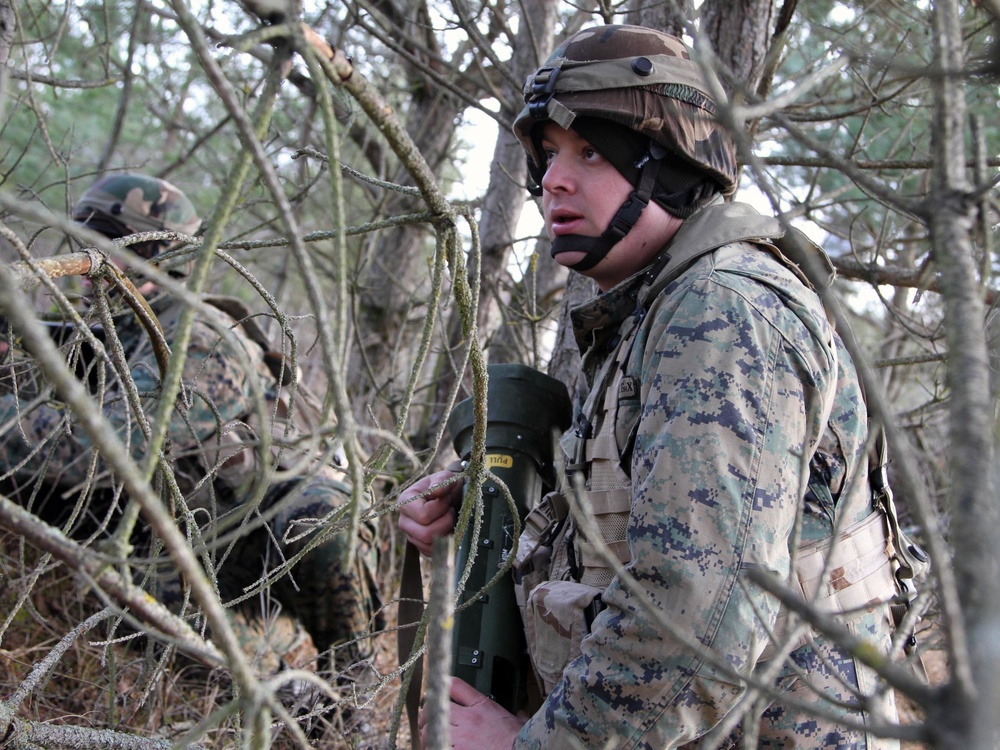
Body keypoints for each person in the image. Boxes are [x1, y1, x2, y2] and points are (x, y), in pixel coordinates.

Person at [398, 25, 912, 749]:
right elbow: (635, 516)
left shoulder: (722, 311)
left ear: (669, 166)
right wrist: (478, 492)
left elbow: (697, 620)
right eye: (547, 156)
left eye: (589, 152)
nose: (553, 181)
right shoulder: (652, 311)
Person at [0, 173, 382, 694]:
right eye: (80, 241)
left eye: (102, 242)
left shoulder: (196, 338)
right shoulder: (115, 329)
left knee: (318, 523)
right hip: (196, 535)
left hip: (268, 529)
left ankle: (359, 680)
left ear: (149, 251)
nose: (84, 263)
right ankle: (281, 690)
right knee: (129, 596)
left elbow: (109, 445)